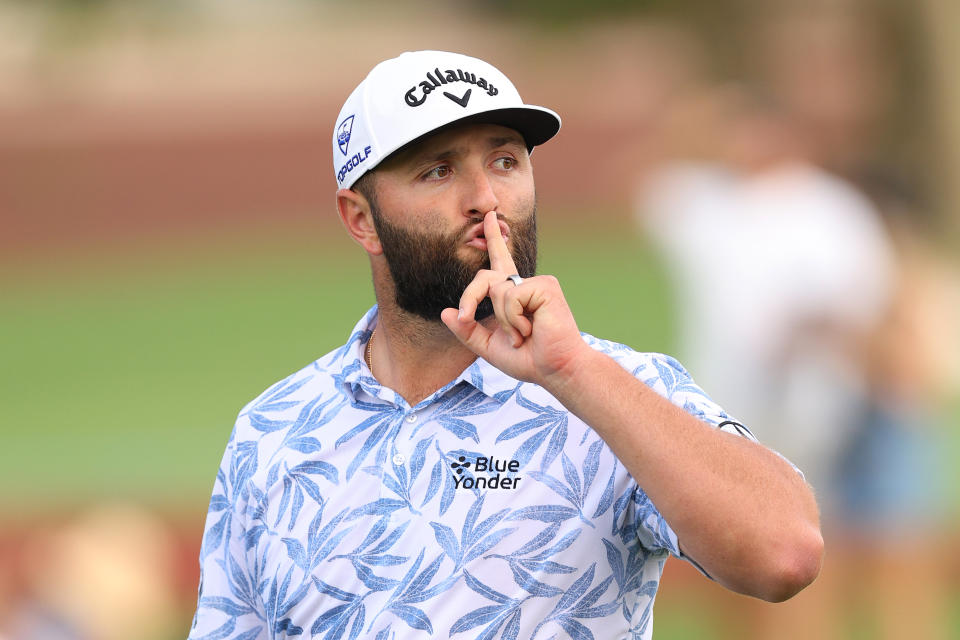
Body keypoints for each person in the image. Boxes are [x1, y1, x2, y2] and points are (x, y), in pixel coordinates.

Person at [188, 51, 822, 640]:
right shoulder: (273, 431)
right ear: (360, 219)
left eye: (505, 162)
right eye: (437, 171)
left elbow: (785, 555)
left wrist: (573, 371)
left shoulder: (612, 389)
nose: (486, 200)